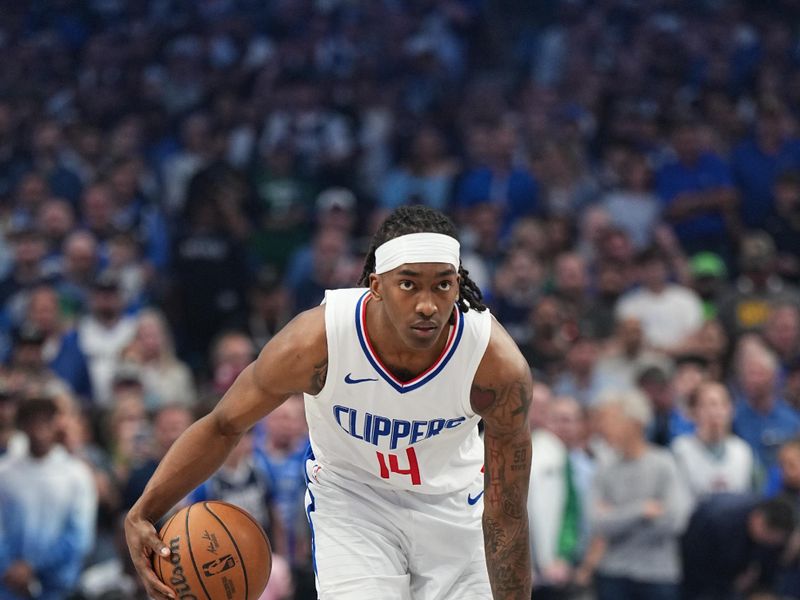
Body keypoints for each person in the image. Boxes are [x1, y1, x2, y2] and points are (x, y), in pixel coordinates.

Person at [125, 205, 533, 600]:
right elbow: (224, 425)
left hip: (455, 507)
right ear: (376, 286)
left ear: (457, 285)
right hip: (355, 505)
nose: (427, 305)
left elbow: (508, 513)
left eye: (442, 285)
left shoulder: (494, 364)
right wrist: (143, 510)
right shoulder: (316, 342)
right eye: (408, 284)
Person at [0, 394, 98, 600]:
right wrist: (9, 566)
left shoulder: (76, 474)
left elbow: (80, 537)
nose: (39, 428)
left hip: (58, 586)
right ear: (22, 425)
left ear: (56, 424)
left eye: (45, 420)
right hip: (8, 583)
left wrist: (34, 566)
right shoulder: (4, 473)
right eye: (32, 420)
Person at [681, 494, 796, 600]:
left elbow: (770, 568)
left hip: (737, 579)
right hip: (701, 576)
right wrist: (729, 585)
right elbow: (695, 566)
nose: (771, 542)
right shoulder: (717, 522)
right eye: (769, 536)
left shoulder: (777, 532)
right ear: (758, 520)